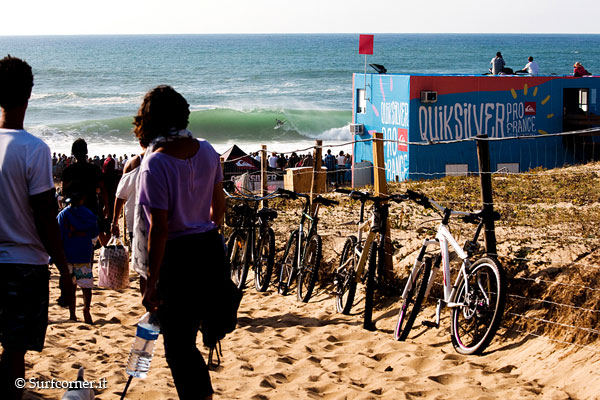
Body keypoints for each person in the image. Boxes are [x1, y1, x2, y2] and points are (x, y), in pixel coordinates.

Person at [136, 85, 225, 400]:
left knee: (178, 347)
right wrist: (202, 226)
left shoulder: (156, 163)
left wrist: (150, 282)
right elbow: (219, 208)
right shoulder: (208, 150)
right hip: (210, 250)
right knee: (190, 341)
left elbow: (159, 229)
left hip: (177, 258)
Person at [0, 55, 75, 400]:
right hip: (25, 266)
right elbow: (45, 217)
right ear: (29, 94)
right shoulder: (34, 150)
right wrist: (65, 270)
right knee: (14, 352)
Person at [57, 183, 99, 324]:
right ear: (83, 199)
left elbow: (58, 235)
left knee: (71, 287)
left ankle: (72, 314)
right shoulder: (89, 215)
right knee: (86, 286)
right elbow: (94, 236)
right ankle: (86, 308)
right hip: (84, 255)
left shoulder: (63, 214)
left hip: (67, 256)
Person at [62, 139, 110, 246]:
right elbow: (103, 189)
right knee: (95, 236)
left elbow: (64, 192)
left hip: (74, 209)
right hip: (93, 207)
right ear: (86, 151)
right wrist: (106, 206)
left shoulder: (68, 171)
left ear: (73, 153)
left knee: (76, 239)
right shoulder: (94, 169)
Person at [112, 144, 146, 293]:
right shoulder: (166, 158)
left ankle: (147, 301)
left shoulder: (133, 163)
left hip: (136, 220)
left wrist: (115, 222)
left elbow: (120, 195)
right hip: (160, 220)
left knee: (143, 268)